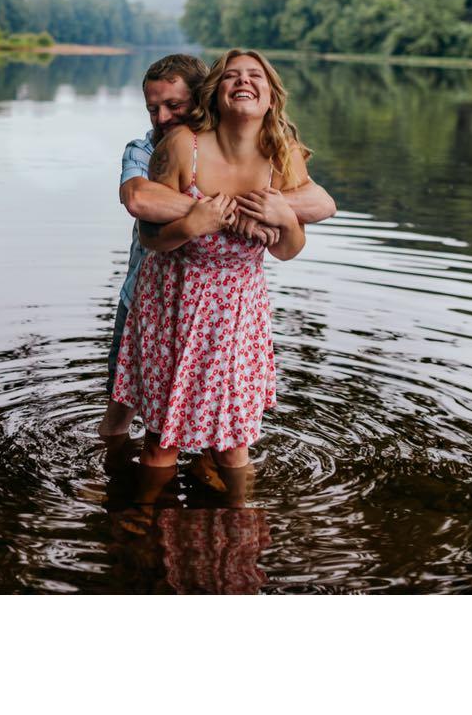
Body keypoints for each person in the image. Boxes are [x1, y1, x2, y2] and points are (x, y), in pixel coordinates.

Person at [97, 53, 335, 440]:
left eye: (173, 105)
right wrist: (218, 211)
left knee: (220, 421)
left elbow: (323, 203)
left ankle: (208, 476)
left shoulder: (264, 148)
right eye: (152, 108)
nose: (161, 118)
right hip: (149, 299)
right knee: (125, 403)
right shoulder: (145, 149)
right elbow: (138, 200)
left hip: (224, 313)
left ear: (202, 98)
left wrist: (272, 209)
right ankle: (115, 477)